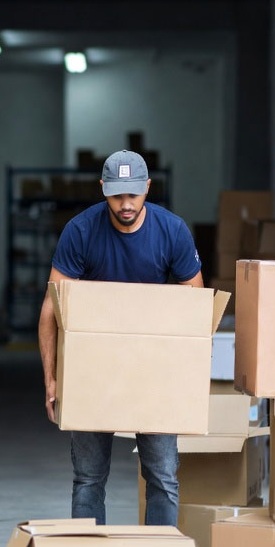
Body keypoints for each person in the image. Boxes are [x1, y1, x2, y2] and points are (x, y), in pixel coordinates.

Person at [37, 150, 204, 526]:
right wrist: (51, 378)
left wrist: (185, 379)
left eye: (133, 194)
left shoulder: (172, 231)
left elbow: (195, 304)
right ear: (102, 189)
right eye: (116, 195)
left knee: (162, 478)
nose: (125, 204)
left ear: (148, 187)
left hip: (154, 369)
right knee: (89, 479)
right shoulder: (81, 231)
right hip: (93, 369)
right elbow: (51, 310)